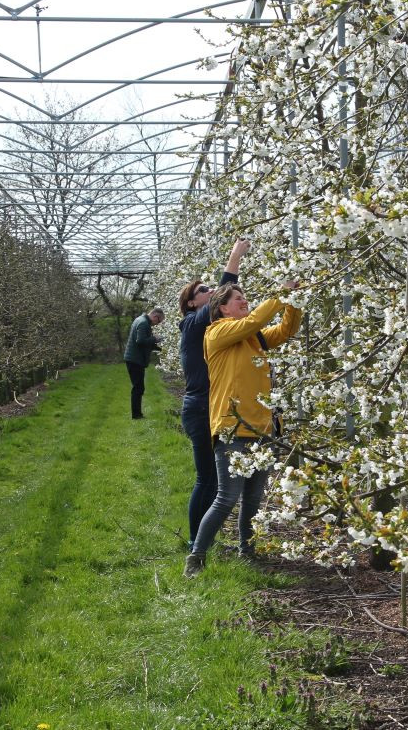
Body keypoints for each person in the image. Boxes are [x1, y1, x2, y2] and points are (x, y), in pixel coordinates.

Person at [184, 279, 301, 576]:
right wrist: (279, 294)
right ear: (222, 308)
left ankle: (246, 551)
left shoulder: (254, 338)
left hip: (262, 428)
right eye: (238, 298)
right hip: (232, 427)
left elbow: (286, 331)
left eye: (245, 297)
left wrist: (293, 302)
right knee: (227, 497)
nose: (244, 301)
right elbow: (254, 320)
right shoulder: (217, 333)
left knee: (253, 498)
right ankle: (196, 557)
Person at [176, 239, 250, 550]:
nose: (209, 292)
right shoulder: (194, 323)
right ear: (192, 303)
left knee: (213, 481)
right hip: (201, 409)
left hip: (207, 407)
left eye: (208, 289)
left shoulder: (207, 326)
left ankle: (203, 540)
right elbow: (223, 290)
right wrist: (234, 257)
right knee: (207, 479)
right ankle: (197, 542)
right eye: (202, 291)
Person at [123, 306, 164, 419]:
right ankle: (136, 415)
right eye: (158, 321)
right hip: (135, 359)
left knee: (138, 387)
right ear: (155, 316)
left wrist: (159, 348)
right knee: (138, 388)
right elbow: (140, 341)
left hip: (134, 358)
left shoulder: (140, 319)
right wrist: (155, 339)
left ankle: (137, 414)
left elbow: (144, 341)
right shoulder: (143, 323)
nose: (157, 324)